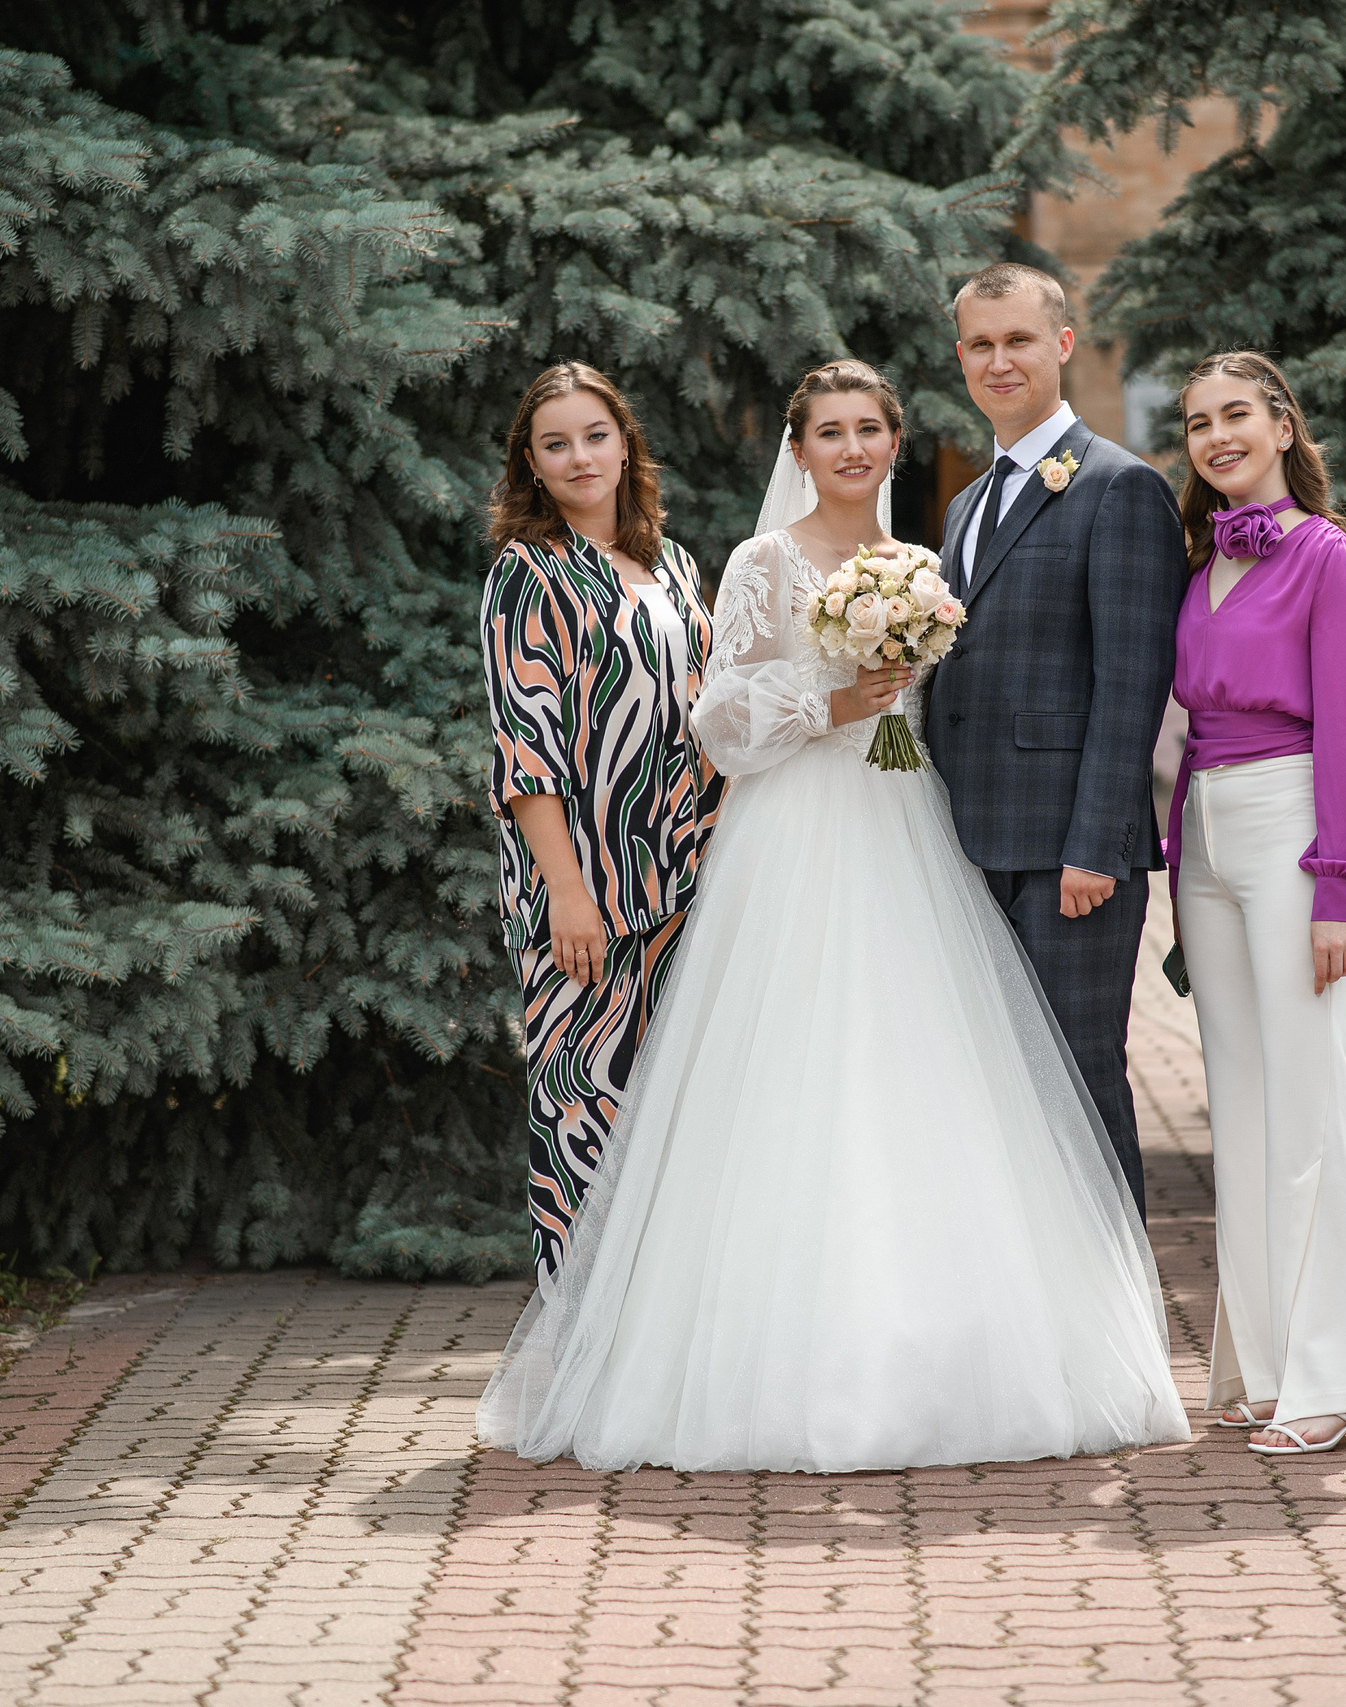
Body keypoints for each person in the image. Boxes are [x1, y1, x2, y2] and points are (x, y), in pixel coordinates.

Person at [477, 359, 1187, 1474]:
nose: (850, 448)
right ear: (796, 451)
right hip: (794, 836)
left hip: (907, 822)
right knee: (792, 1074)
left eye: (868, 429)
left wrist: (895, 695)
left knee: (925, 1073)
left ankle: (946, 1346)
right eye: (827, 431)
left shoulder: (925, 566)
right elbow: (718, 726)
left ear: (893, 443)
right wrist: (830, 700)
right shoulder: (759, 563)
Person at [1164, 349, 1346, 1456]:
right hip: (1202, 833)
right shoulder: (1199, 556)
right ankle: (1265, 1365)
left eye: (1236, 416)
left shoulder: (1324, 556)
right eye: (1198, 422)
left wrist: (1339, 886)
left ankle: (1339, 1379)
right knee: (1242, 1103)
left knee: (1306, 1103)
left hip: (1290, 823)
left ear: (1280, 425)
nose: (1216, 437)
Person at [925, 263, 1185, 1217]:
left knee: (1078, 1079)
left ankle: (1118, 1304)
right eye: (981, 345)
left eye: (1019, 340)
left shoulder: (1118, 487)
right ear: (961, 359)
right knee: (996, 1087)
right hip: (968, 843)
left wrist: (1095, 845)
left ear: (1063, 345)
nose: (1000, 360)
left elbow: (1132, 684)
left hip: (1067, 854)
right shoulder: (965, 506)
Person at [479, 361, 717, 1284]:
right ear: (531, 465)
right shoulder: (525, 573)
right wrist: (569, 894)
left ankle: (659, 1354)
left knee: (674, 1119)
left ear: (626, 444)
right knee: (585, 1120)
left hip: (685, 880)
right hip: (585, 895)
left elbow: (710, 710)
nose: (580, 457)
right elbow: (525, 749)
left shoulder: (673, 562)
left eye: (595, 435)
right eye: (555, 444)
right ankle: (580, 1349)